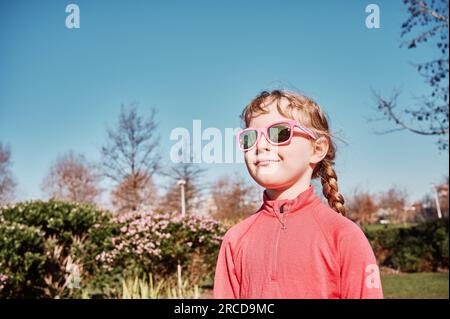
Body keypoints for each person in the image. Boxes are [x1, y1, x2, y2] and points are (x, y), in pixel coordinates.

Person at [213, 89, 383, 299]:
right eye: (250, 138)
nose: (261, 145)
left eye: (279, 133)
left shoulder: (343, 236)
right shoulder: (235, 239)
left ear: (317, 149)